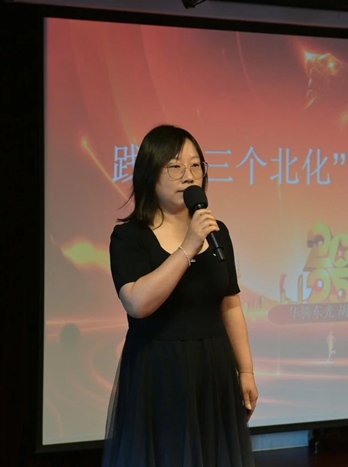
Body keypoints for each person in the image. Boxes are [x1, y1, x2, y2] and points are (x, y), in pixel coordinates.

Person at [102, 124, 258, 466]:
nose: (188, 175)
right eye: (175, 166)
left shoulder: (217, 232)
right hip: (158, 370)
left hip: (213, 368)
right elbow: (137, 303)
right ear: (150, 174)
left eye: (195, 165)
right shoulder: (130, 237)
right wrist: (188, 246)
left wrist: (246, 371)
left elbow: (230, 304)